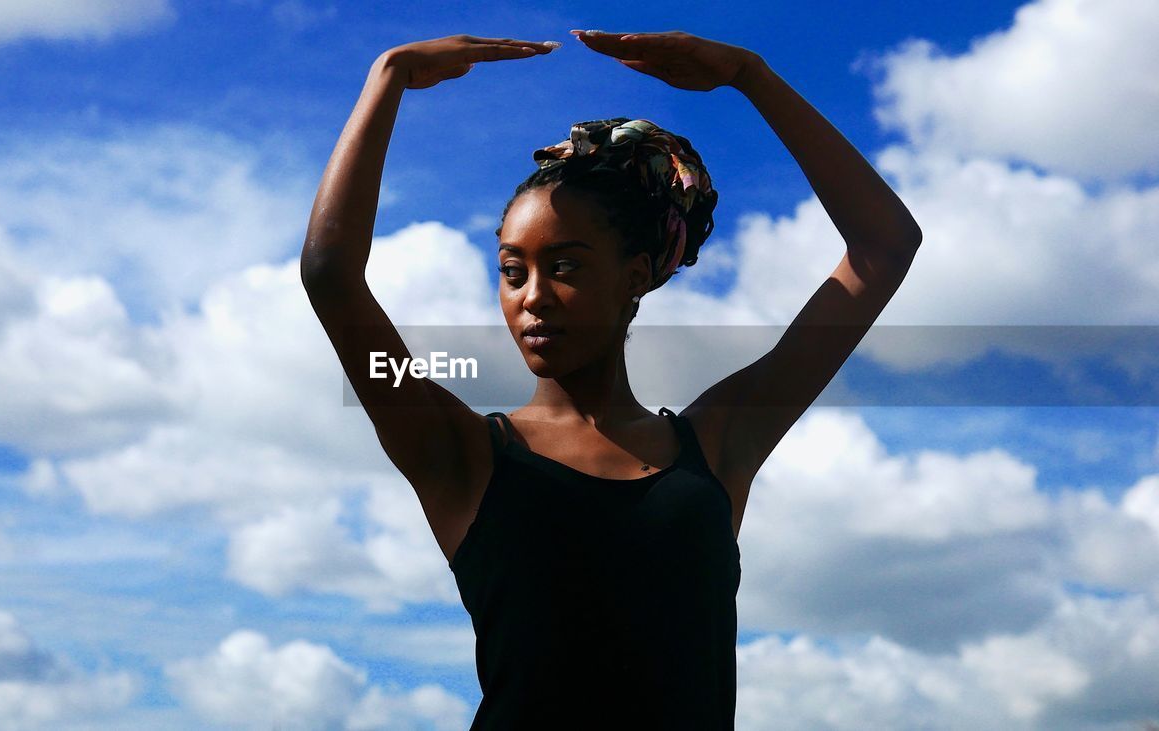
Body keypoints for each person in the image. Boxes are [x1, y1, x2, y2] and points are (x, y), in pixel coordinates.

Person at [300, 29, 922, 730]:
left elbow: (884, 246)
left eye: (563, 266)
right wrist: (388, 75)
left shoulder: (719, 443)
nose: (531, 296)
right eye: (512, 271)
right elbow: (331, 276)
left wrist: (751, 74)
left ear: (634, 278)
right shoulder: (460, 455)